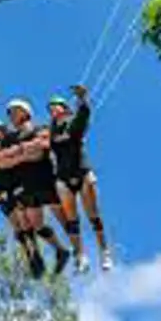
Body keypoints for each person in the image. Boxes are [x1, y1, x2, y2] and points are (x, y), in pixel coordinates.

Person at [48, 84, 113, 272]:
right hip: (63, 177)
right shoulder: (51, 131)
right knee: (72, 221)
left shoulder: (74, 124)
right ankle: (81, 255)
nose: (53, 110)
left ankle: (105, 252)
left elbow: (84, 115)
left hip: (82, 173)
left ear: (65, 109)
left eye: (56, 106)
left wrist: (82, 98)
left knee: (93, 215)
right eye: (50, 108)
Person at [5, 98, 71, 277]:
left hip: (46, 180)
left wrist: (17, 154)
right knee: (37, 225)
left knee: (66, 220)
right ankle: (61, 250)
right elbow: (3, 161)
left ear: (26, 112)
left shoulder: (40, 128)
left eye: (14, 111)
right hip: (27, 184)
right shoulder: (11, 138)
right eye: (9, 113)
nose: (10, 115)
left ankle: (80, 251)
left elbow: (42, 148)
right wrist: (23, 152)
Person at [0, 119, 38, 270]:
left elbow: (22, 138)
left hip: (17, 185)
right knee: (16, 226)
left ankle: (35, 250)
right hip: (2, 191)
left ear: (2, 131)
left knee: (23, 219)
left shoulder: (8, 142)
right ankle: (28, 256)